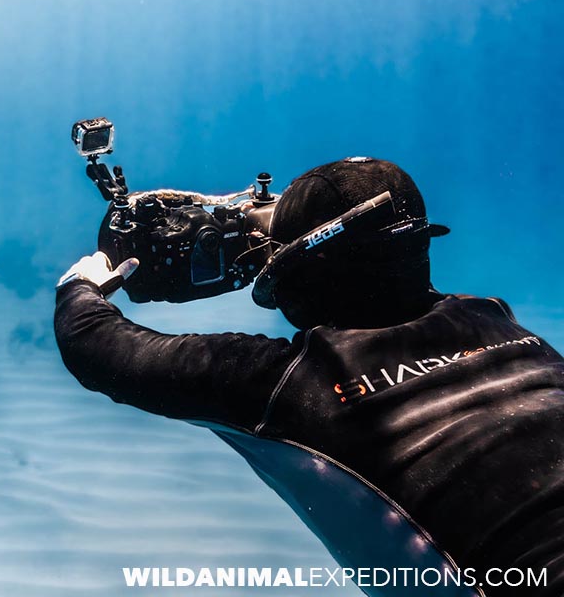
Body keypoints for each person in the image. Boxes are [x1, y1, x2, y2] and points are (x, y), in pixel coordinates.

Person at [55, 157, 564, 595]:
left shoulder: (285, 385)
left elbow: (97, 349)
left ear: (298, 272)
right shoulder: (495, 317)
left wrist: (81, 284)